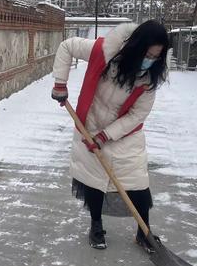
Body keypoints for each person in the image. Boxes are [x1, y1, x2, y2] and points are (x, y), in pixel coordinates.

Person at [51, 20, 169, 252]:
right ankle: (96, 226)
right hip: (91, 127)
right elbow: (67, 46)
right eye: (148, 54)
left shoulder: (149, 78)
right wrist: (60, 84)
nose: (150, 60)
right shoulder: (105, 51)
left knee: (138, 184)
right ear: (135, 46)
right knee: (95, 181)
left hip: (125, 134)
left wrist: (107, 135)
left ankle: (144, 232)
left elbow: (137, 115)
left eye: (156, 56)